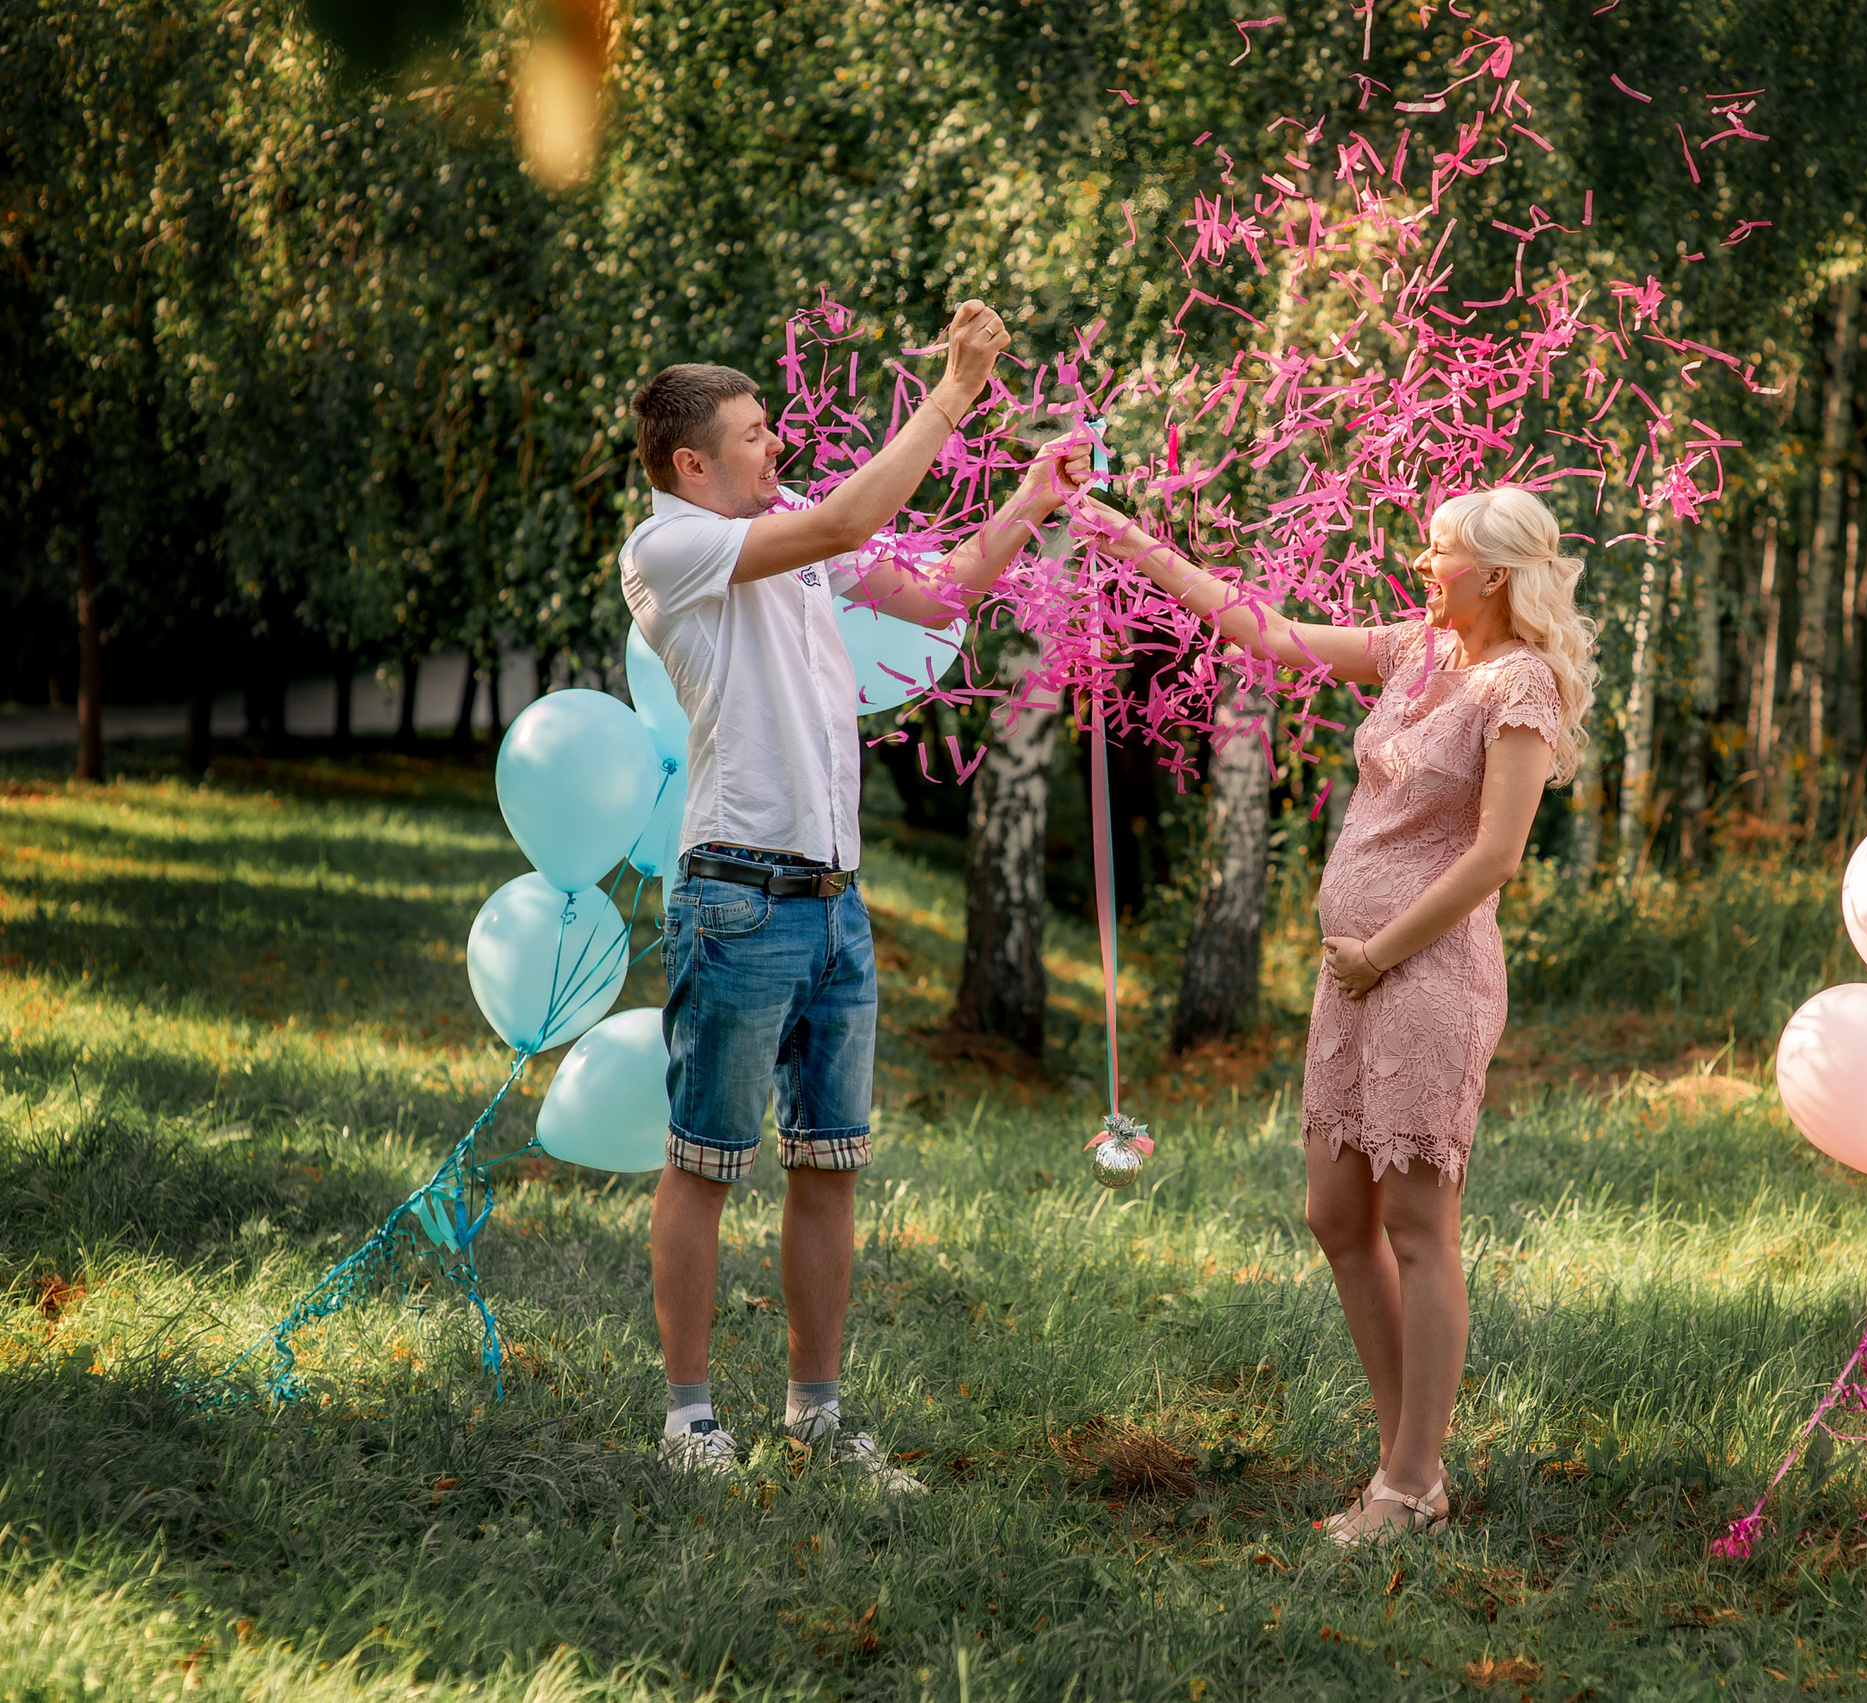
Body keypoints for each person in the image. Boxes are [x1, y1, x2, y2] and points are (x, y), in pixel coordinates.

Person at [1078, 486, 1596, 1542]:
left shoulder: (1519, 683)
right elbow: (1266, 632)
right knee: (1332, 1212)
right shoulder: (1414, 650)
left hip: (1426, 970)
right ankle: (1408, 1457)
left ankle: (1407, 1485)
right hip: (1353, 973)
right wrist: (1137, 548)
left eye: (1440, 551)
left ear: (1494, 574)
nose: (1422, 560)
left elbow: (1494, 854)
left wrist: (1381, 950)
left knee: (1416, 1223)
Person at [621, 304, 1083, 1481]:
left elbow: (941, 594)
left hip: (835, 902)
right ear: (690, 463)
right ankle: (688, 1419)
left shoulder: (784, 529)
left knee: (829, 1160)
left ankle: (814, 1416)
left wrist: (1028, 500)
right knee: (705, 1159)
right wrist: (954, 395)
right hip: (737, 895)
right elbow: (852, 511)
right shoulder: (671, 548)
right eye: (754, 433)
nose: (774, 445)